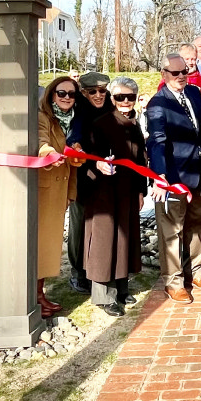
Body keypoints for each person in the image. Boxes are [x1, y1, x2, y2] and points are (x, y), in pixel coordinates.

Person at [147, 53, 201, 304]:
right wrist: (160, 176)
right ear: (164, 75)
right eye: (175, 73)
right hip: (173, 177)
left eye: (185, 71)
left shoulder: (194, 93)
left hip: (199, 172)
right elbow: (157, 141)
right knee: (172, 231)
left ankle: (196, 272)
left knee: (198, 223)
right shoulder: (157, 103)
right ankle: (173, 282)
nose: (181, 76)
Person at [84, 77, 147, 317]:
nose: (125, 101)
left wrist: (141, 190)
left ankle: (121, 287)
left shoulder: (134, 124)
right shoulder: (100, 123)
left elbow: (141, 159)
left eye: (130, 97)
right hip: (104, 193)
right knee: (104, 241)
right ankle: (104, 296)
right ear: (112, 99)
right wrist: (97, 165)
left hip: (128, 191)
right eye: (120, 97)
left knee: (124, 238)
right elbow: (87, 156)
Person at [65, 71, 114, 295]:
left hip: (107, 176)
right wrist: (77, 147)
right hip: (83, 176)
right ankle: (78, 272)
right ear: (83, 92)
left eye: (102, 90)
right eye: (92, 91)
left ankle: (100, 270)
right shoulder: (77, 111)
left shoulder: (110, 108)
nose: (98, 95)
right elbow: (73, 138)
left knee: (102, 226)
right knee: (80, 225)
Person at [37, 76, 80, 318]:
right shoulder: (43, 117)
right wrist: (49, 153)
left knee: (49, 245)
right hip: (44, 190)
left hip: (61, 189)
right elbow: (42, 142)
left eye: (71, 94)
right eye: (61, 93)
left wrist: (71, 193)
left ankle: (39, 293)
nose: (66, 98)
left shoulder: (73, 121)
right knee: (41, 244)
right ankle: (35, 296)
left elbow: (74, 159)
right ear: (52, 94)